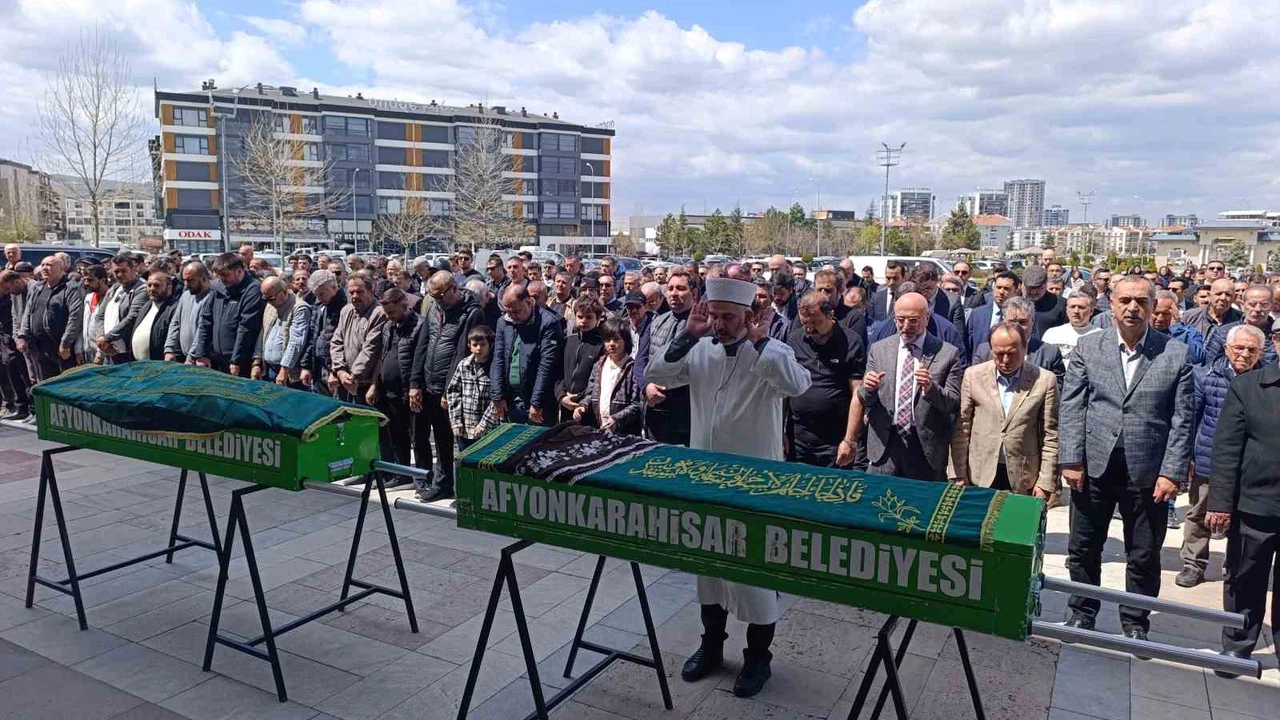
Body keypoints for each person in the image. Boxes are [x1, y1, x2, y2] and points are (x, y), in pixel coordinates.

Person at [647, 277, 812, 698]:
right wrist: (688, 335)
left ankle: (759, 659)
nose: (719, 325)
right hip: (705, 479)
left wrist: (760, 343)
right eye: (715, 316)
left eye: (728, 318)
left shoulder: (773, 352)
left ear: (749, 317)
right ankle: (712, 648)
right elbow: (657, 374)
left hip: (755, 484)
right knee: (708, 569)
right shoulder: (701, 348)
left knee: (755, 575)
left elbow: (797, 385)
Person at [1059, 276, 1195, 639]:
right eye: (1125, 301)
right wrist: (1071, 459)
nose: (1133, 308)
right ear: (1112, 305)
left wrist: (1172, 472)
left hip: (1148, 472)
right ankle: (1082, 612)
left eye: (1141, 301)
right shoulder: (1089, 348)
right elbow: (1072, 406)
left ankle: (1135, 622)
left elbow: (1183, 420)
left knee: (1144, 553)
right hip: (1094, 465)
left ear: (1154, 307)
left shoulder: (1174, 354)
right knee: (1084, 546)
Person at [1206, 317, 1280, 674]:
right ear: (1277, 343)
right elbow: (1226, 449)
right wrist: (1220, 503)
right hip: (1255, 503)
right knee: (1245, 577)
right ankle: (1237, 646)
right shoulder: (1249, 387)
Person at [1177, 324, 1264, 590]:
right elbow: (1190, 420)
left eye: (1252, 350)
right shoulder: (1205, 376)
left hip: (1250, 465)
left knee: (1241, 521)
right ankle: (1193, 563)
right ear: (1227, 349)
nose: (1245, 354)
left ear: (1260, 353)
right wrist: (1187, 457)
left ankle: (1234, 567)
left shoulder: (1265, 381)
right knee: (1199, 514)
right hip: (1208, 459)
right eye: (1239, 348)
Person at [856, 291, 965, 482]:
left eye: (913, 320)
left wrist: (931, 388)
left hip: (925, 448)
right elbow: (865, 399)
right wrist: (868, 388)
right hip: (885, 443)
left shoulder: (948, 353)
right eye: (900, 320)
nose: (906, 326)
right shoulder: (879, 349)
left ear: (927, 318)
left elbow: (953, 404)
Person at [951, 321, 1059, 496]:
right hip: (980, 474)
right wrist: (958, 473)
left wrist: (1045, 481)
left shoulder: (1044, 381)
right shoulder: (973, 376)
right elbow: (962, 428)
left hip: (1023, 477)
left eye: (1012, 354)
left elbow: (1050, 435)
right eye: (999, 354)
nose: (1005, 361)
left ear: (1025, 349)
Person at [408, 271, 483, 502]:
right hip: (429, 383)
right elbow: (422, 345)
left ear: (454, 289)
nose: (437, 300)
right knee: (439, 439)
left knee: (459, 439)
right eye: (433, 296)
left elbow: (461, 352)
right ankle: (442, 483)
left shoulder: (471, 313)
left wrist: (450, 389)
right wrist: (415, 383)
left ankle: (462, 487)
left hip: (454, 388)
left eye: (440, 295)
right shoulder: (434, 308)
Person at [787, 292, 866, 468]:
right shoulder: (794, 340)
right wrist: (781, 432)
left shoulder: (851, 343)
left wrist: (850, 440)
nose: (809, 330)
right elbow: (785, 387)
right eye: (804, 323)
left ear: (830, 316)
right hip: (799, 438)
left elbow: (857, 394)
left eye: (815, 323)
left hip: (834, 441)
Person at [368, 288, 423, 489]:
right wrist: (375, 386)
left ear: (404, 304)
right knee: (396, 435)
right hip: (389, 392)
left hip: (410, 391)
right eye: (387, 313)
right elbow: (383, 358)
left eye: (392, 312)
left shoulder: (419, 326)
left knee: (417, 438)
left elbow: (420, 359)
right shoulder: (389, 326)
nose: (389, 317)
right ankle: (402, 474)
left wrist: (414, 386)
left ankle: (421, 478)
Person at [636, 270, 696, 446]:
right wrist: (646, 386)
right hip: (654, 410)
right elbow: (640, 361)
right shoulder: (656, 321)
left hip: (685, 414)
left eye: (680, 288)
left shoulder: (702, 325)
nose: (674, 293)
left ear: (693, 293)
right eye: (670, 288)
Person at [490, 284, 562, 426]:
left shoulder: (548, 323)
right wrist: (497, 395)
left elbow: (546, 366)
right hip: (510, 400)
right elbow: (498, 359)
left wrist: (536, 402)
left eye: (516, 311)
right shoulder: (504, 322)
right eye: (507, 311)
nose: (511, 316)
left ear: (529, 302)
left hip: (536, 402)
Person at [192, 253, 265, 376]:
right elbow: (206, 321)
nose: (222, 279)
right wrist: (201, 353)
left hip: (240, 363)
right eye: (219, 276)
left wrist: (237, 360)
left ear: (239, 272)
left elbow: (246, 328)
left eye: (226, 275)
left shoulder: (253, 290)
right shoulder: (218, 289)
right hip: (216, 360)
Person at [971, 296, 1066, 386]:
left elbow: (1056, 391)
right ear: (1003, 321)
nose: (1017, 327)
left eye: (1022, 322)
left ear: (1032, 322)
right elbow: (975, 385)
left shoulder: (1050, 353)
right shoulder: (985, 351)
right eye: (1012, 322)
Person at [18, 255, 82, 380]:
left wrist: (66, 343)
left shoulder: (71, 288)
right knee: (45, 383)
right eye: (43, 265)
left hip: (62, 348)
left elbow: (75, 318)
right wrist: (22, 336)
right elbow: (28, 312)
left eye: (50, 265)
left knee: (65, 384)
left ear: (61, 269)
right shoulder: (37, 288)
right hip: (40, 347)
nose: (45, 268)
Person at [574, 318, 642, 434]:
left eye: (616, 339)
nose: (611, 344)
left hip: (624, 432)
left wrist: (616, 419)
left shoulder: (633, 368)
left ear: (625, 341)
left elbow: (636, 404)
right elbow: (590, 393)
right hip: (598, 428)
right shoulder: (598, 365)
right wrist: (582, 406)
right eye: (607, 339)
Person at [328, 274, 386, 404]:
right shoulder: (346, 310)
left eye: (359, 292)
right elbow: (336, 341)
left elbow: (371, 349)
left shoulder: (379, 313)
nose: (355, 296)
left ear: (371, 291)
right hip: (344, 379)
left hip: (364, 384)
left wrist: (353, 375)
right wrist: (340, 370)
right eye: (351, 292)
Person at [447, 325, 501, 451]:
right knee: (465, 462)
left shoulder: (496, 367)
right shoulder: (463, 365)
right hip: (465, 428)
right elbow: (453, 392)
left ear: (490, 345)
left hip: (489, 429)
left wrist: (484, 424)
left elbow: (498, 398)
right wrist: (456, 422)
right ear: (469, 345)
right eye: (475, 345)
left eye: (483, 345)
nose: (478, 349)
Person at [91, 252, 149, 364]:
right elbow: (100, 315)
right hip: (108, 349)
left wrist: (108, 338)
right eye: (116, 271)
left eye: (124, 271)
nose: (120, 275)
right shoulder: (115, 288)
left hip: (128, 353)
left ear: (133, 269)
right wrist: (101, 338)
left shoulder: (142, 289)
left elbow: (132, 317)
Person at [253, 276, 311, 387]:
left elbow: (296, 341)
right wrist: (257, 362)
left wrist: (284, 370)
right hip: (269, 369)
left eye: (271, 298)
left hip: (289, 373)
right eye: (265, 299)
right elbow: (263, 334)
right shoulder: (270, 305)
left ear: (284, 292)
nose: (268, 302)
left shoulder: (299, 308)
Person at [1202, 285, 1277, 368]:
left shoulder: (1277, 335)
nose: (1258, 309)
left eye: (1264, 305)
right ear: (1243, 304)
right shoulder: (1223, 332)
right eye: (1252, 304)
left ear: (1272, 306)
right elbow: (1209, 364)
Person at [164, 261, 214, 364]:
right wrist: (169, 349)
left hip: (202, 360)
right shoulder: (185, 296)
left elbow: (202, 330)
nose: (186, 285)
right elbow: (175, 323)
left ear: (204, 278)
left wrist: (191, 357)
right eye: (184, 280)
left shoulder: (212, 298)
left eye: (190, 280)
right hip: (185, 357)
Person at [305, 269, 346, 393]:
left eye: (322, 294)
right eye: (317, 295)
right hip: (318, 365)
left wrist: (335, 371)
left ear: (334, 287)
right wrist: (306, 366)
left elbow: (343, 344)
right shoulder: (318, 306)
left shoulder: (345, 306)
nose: (319, 298)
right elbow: (312, 336)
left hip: (334, 370)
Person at [1041, 287, 1100, 367]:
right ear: (1067, 310)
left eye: (1081, 307)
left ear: (1091, 311)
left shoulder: (1101, 336)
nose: (1076, 311)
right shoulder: (1052, 334)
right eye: (1072, 307)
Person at [128, 269, 179, 362]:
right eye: (149, 285)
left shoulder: (175, 308)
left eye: (156, 285)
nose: (151, 288)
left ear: (169, 287)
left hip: (159, 366)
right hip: (139, 365)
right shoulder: (147, 305)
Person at [966, 272, 1021, 357]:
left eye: (1006, 289)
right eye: (998, 287)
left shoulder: (1022, 317)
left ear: (1016, 291)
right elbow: (969, 346)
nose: (1001, 292)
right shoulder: (977, 314)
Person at [1151, 290, 1206, 366]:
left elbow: (1196, 358)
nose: (1160, 318)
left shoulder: (1189, 333)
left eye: (1166, 314)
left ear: (1175, 311)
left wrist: (1177, 329)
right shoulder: (1142, 331)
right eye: (1156, 313)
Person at [77, 264, 109, 365]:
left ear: (102, 280)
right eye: (85, 280)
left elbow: (108, 329)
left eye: (90, 280)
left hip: (105, 354)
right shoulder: (88, 298)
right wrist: (79, 349)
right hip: (88, 351)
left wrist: (100, 354)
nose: (86, 283)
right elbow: (83, 325)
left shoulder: (111, 299)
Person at [1023, 266, 1067, 335]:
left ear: (1046, 284)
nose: (1033, 292)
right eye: (1030, 288)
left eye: (1039, 288)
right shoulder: (1015, 303)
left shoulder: (1061, 304)